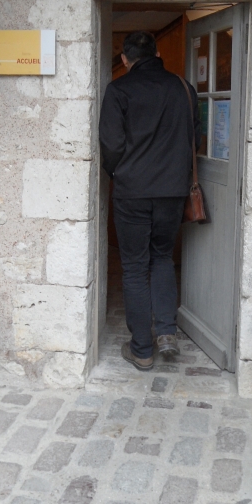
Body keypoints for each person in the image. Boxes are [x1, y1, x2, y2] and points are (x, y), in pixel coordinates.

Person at [99, 30, 201, 371]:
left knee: (133, 267)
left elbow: (111, 144)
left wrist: (119, 173)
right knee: (161, 257)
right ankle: (167, 332)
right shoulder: (184, 88)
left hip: (132, 191)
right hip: (173, 190)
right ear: (158, 54)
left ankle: (142, 349)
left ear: (125, 59)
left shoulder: (119, 90)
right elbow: (195, 137)